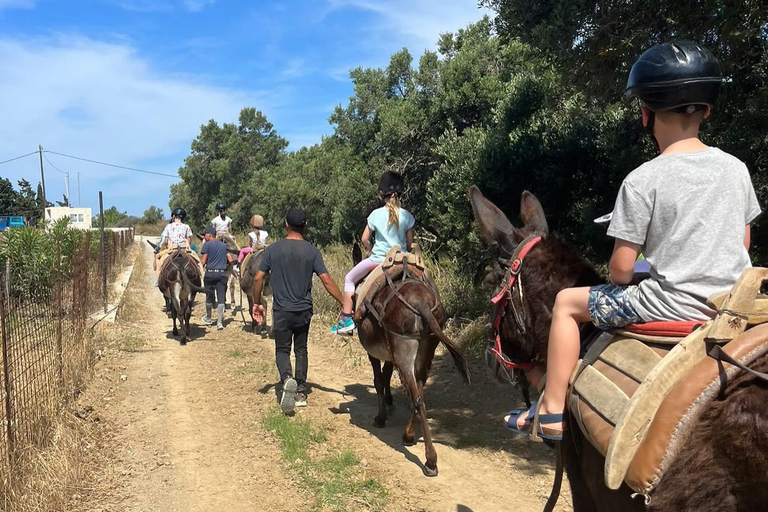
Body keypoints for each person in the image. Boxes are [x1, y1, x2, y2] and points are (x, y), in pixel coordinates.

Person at [507, 41, 761, 441]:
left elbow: (621, 271)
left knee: (566, 304)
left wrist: (649, 265)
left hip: (672, 303)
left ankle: (552, 409)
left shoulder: (642, 180)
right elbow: (741, 244)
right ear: (707, 110)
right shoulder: (737, 169)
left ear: (646, 113)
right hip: (735, 303)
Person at [251, 208, 343, 414]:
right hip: (303, 310)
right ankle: (300, 392)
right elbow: (326, 280)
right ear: (305, 225)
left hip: (282, 310)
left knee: (282, 349)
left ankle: (286, 378)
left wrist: (256, 302)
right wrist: (344, 303)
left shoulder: (273, 250)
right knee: (301, 350)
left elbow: (258, 278)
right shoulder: (312, 251)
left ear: (286, 224)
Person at [330, 171, 415, 334]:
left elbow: (364, 239)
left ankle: (346, 319)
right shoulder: (406, 215)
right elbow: (410, 243)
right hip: (402, 260)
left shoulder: (375, 215)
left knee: (349, 279)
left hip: (379, 260)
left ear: (381, 194)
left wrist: (370, 250)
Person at [200, 227, 234, 330]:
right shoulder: (223, 246)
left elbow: (203, 261)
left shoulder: (207, 245)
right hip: (221, 275)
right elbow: (230, 258)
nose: (204, 237)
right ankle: (220, 322)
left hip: (210, 274)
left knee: (209, 297)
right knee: (221, 298)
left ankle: (209, 318)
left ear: (210, 235)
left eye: (205, 235)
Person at [154, 207, 194, 285]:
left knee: (158, 257)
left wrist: (166, 246)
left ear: (174, 216)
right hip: (184, 249)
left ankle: (158, 279)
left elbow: (165, 241)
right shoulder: (186, 226)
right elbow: (189, 239)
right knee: (197, 261)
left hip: (172, 249)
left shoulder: (168, 226)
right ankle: (201, 277)